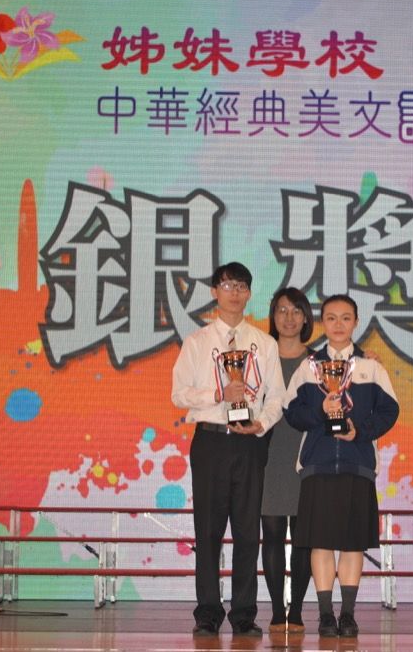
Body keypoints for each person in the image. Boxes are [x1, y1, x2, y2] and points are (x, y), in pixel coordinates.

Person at [171, 262, 286, 637]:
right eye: (227, 285)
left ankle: (244, 614)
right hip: (210, 441)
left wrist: (261, 424)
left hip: (249, 442)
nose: (234, 292)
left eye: (241, 286)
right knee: (208, 531)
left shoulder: (264, 344)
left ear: (249, 293)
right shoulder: (197, 342)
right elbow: (179, 394)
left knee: (248, 531)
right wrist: (218, 394)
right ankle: (207, 612)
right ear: (214, 292)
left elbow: (277, 397)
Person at [283, 294, 400, 638]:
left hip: (357, 463)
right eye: (331, 318)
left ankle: (347, 614)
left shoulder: (371, 367)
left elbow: (389, 411)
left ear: (356, 322)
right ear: (323, 322)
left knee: (352, 543)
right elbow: (291, 412)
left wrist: (359, 431)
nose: (338, 324)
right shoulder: (309, 367)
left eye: (345, 318)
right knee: (320, 543)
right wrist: (320, 412)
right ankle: (325, 615)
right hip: (318, 464)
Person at [260, 288, 315, 633]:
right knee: (272, 533)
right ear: (273, 316)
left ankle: (296, 611)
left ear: (306, 317)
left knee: (303, 536)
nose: (289, 318)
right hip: (268, 453)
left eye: (296, 311)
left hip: (306, 454)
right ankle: (277, 611)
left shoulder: (318, 362)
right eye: (282, 310)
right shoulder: (260, 358)